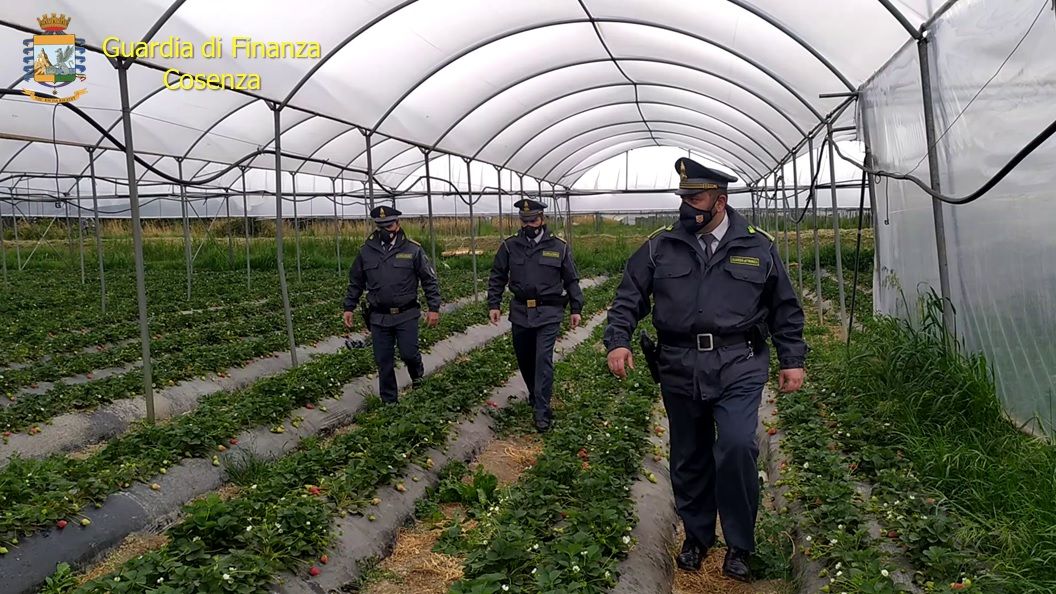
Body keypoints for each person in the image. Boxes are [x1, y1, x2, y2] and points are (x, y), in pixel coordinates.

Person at [604, 158, 806, 582]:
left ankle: (739, 545)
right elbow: (628, 297)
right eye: (683, 197)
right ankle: (697, 536)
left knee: (736, 446)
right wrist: (618, 340)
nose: (686, 206)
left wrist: (793, 360)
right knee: (689, 454)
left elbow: (784, 307)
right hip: (679, 364)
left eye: (694, 198)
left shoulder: (757, 246)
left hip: (738, 362)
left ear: (720, 201)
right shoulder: (661, 246)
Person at [487, 198, 584, 433]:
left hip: (549, 311)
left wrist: (576, 308)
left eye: (533, 220)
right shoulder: (510, 246)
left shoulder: (559, 247)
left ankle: (542, 410)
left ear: (543, 219)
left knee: (543, 360)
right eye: (525, 221)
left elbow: (571, 278)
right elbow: (498, 275)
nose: (529, 225)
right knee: (525, 358)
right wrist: (494, 303)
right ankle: (535, 394)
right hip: (520, 311)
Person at [343, 206, 441, 404]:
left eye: (389, 225)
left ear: (397, 224)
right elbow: (356, 281)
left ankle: (418, 379)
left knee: (409, 354)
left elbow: (429, 280)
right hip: (379, 316)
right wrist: (349, 307)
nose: (386, 230)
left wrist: (434, 308)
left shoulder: (413, 249)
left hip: (406, 314)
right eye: (381, 226)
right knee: (383, 360)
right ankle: (389, 403)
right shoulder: (366, 251)